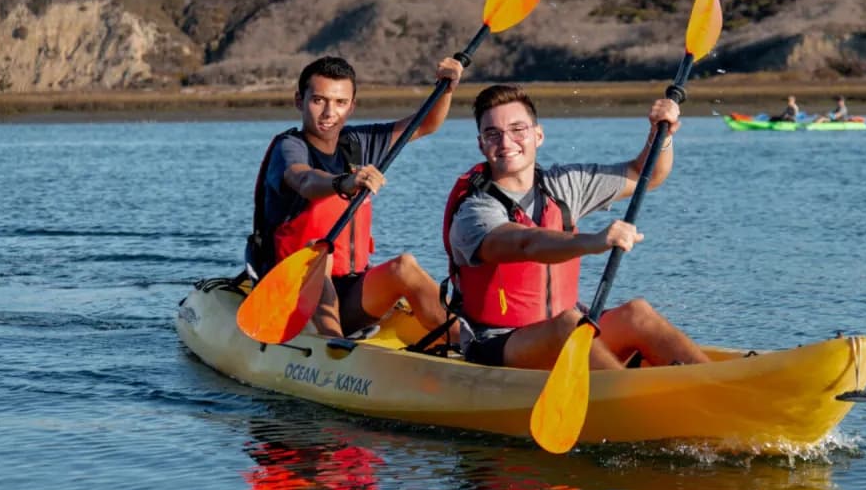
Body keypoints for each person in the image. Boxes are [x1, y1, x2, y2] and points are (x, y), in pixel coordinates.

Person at [442, 84, 710, 369]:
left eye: (518, 129)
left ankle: (716, 387)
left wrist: (661, 137)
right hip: (498, 344)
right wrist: (594, 242)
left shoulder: (563, 185)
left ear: (538, 135)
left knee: (636, 313)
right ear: (481, 144)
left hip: (564, 327)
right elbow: (526, 243)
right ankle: (629, 401)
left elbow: (646, 175)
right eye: (493, 134)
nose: (506, 143)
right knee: (569, 326)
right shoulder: (474, 211)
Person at [247, 54, 463, 338]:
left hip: (348, 292)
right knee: (317, 252)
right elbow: (304, 179)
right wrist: (344, 182)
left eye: (339, 103)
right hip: (290, 295)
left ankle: (471, 343)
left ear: (352, 106)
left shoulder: (358, 143)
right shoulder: (289, 148)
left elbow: (424, 124)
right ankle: (334, 348)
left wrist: (447, 88)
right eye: (318, 100)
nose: (328, 113)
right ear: (300, 101)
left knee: (404, 266)